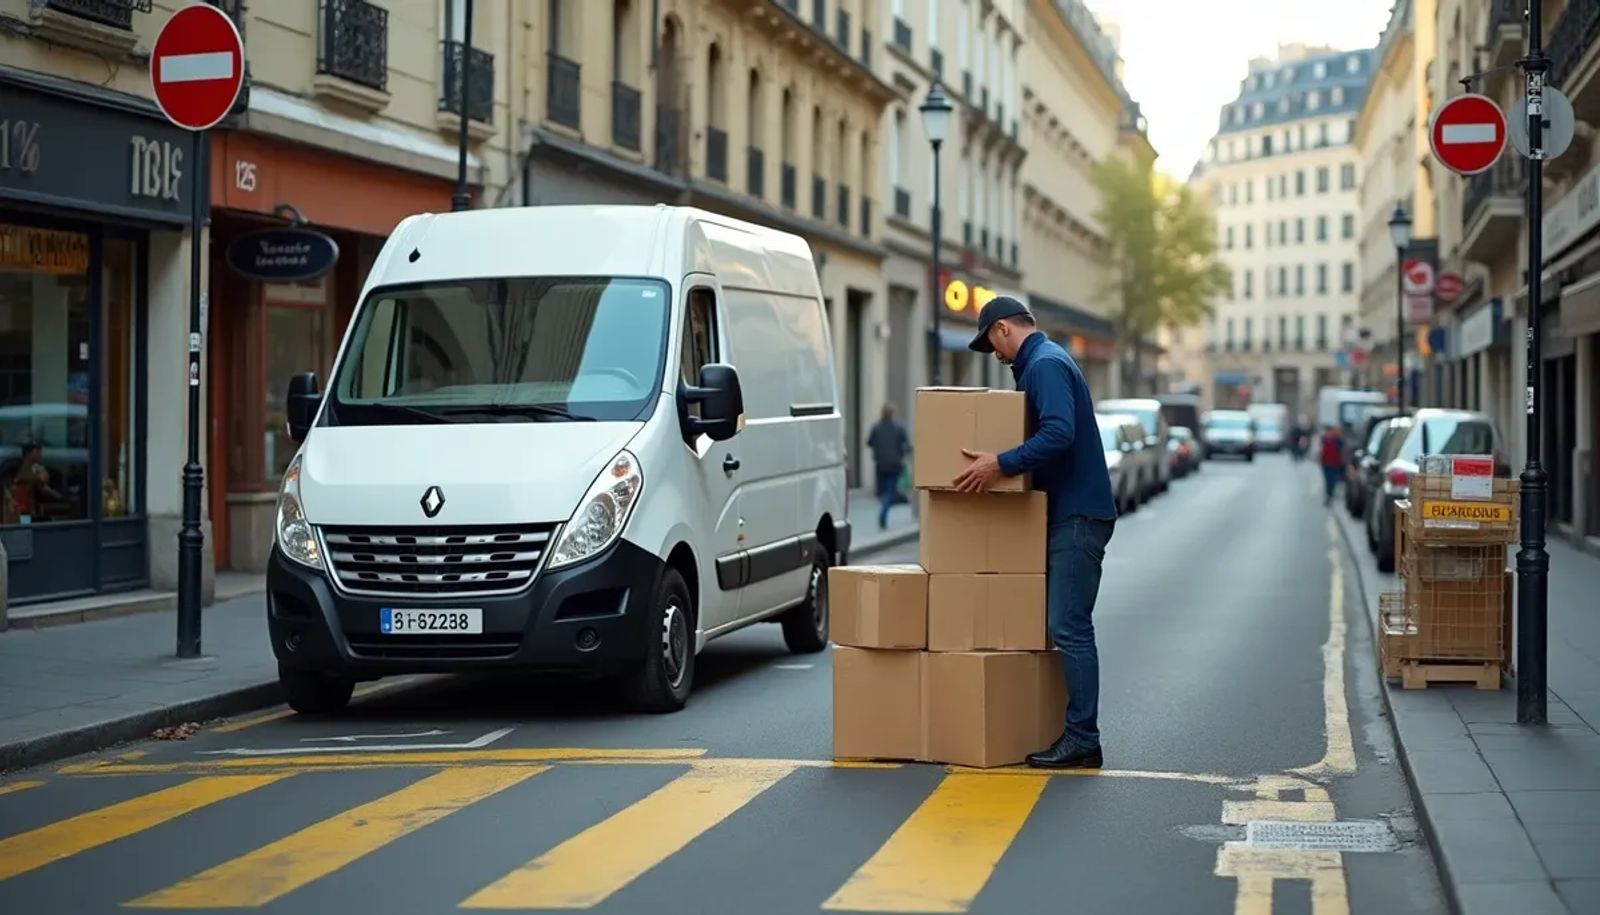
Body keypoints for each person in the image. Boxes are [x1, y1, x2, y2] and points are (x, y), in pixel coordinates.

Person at [951, 296, 1118, 770]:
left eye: (993, 345)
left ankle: (1084, 737)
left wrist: (999, 463)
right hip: (1075, 512)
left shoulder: (1043, 365)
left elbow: (1059, 432)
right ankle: (1076, 732)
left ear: (1003, 329)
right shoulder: (1051, 359)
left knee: (1070, 626)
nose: (997, 357)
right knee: (1065, 624)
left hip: (1078, 516)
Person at [866, 402, 911, 530]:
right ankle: (883, 513)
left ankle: (883, 510)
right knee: (889, 492)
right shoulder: (899, 427)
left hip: (881, 465)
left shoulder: (877, 427)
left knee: (883, 491)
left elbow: (869, 442)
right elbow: (907, 445)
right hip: (894, 465)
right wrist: (902, 453)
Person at [1319, 424, 1344, 506]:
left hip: (1334, 463)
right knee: (1328, 479)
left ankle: (1330, 494)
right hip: (1326, 463)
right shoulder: (1324, 440)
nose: (1329, 433)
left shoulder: (1337, 440)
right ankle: (1329, 494)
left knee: (1332, 480)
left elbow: (1341, 450)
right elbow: (1322, 451)